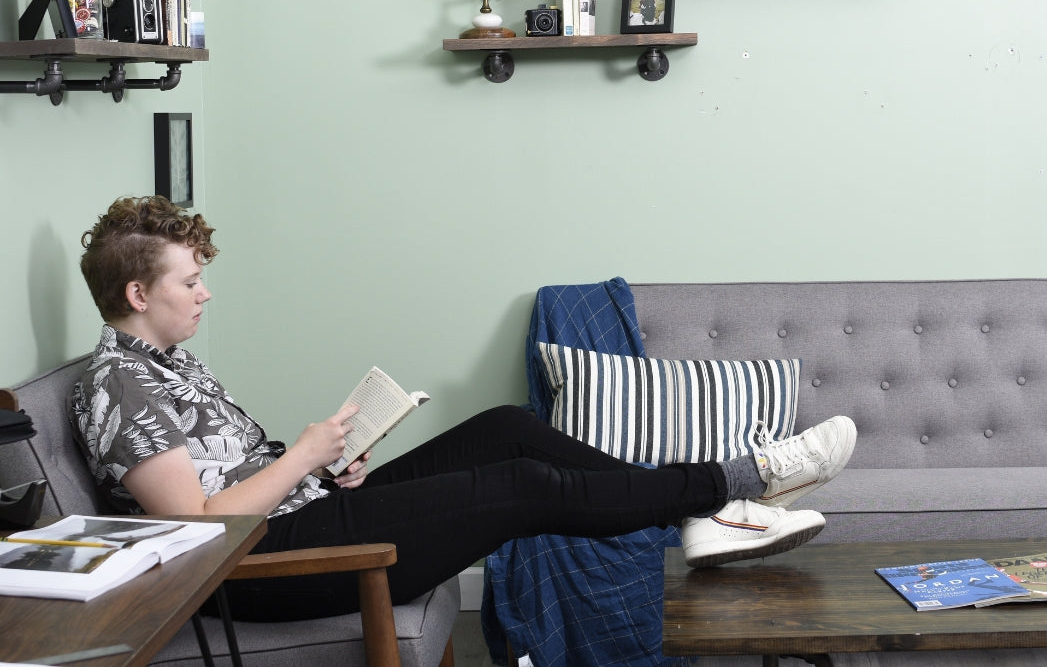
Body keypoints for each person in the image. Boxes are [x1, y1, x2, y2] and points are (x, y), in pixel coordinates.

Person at [68, 196, 859, 622]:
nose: (204, 293)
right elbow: (202, 531)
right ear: (138, 294)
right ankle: (743, 479)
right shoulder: (117, 388)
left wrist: (325, 467)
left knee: (506, 428)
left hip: (301, 517)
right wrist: (301, 458)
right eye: (187, 282)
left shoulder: (164, 362)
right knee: (520, 484)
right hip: (264, 572)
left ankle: (694, 510)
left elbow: (230, 478)